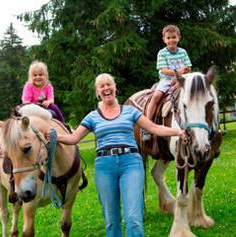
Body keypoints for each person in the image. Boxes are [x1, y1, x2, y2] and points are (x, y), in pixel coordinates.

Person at [45, 73, 186, 237]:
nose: (106, 88)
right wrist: (55, 137)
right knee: (111, 220)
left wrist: (177, 131)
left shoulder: (130, 111)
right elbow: (74, 137)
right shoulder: (93, 116)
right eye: (102, 86)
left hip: (131, 164)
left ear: (115, 88)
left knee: (133, 217)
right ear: (98, 92)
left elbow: (154, 128)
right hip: (105, 167)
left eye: (109, 85)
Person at [146, 24, 192, 121]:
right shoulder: (162, 53)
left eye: (174, 37)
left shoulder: (183, 52)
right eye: (168, 38)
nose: (171, 40)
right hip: (166, 80)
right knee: (156, 96)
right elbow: (164, 70)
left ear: (179, 38)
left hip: (182, 80)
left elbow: (188, 68)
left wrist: (185, 71)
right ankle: (147, 123)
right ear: (164, 39)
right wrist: (179, 71)